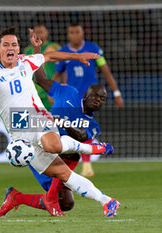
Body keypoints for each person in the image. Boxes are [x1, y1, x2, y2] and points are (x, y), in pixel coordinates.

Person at [0, 26, 120, 218]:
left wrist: (77, 57)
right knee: (65, 175)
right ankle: (108, 201)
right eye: (6, 44)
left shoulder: (25, 61)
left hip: (34, 115)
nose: (10, 47)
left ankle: (95, 150)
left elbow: (51, 57)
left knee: (53, 145)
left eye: (14, 44)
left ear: (19, 48)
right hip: (17, 129)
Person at [0, 35, 112, 216]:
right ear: (85, 95)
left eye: (102, 99)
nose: (97, 100)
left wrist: (63, 123)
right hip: (40, 143)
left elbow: (81, 137)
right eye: (95, 96)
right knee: (68, 153)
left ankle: (16, 197)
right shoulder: (68, 92)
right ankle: (49, 197)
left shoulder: (94, 125)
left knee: (66, 203)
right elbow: (41, 79)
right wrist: (37, 52)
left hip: (60, 154)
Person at [53, 23, 124, 177]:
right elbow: (57, 75)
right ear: (68, 34)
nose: (75, 35)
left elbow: (106, 71)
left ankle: (86, 165)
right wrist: (53, 95)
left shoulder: (94, 49)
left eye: (77, 31)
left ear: (82, 32)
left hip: (89, 99)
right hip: (71, 100)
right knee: (70, 130)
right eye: (71, 32)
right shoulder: (63, 52)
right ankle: (67, 165)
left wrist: (116, 93)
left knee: (83, 130)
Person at [24, 24, 60, 110]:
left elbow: (63, 68)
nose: (39, 35)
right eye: (37, 32)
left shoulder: (55, 47)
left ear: (47, 33)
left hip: (51, 90)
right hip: (34, 91)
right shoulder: (28, 50)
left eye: (41, 32)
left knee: (54, 118)